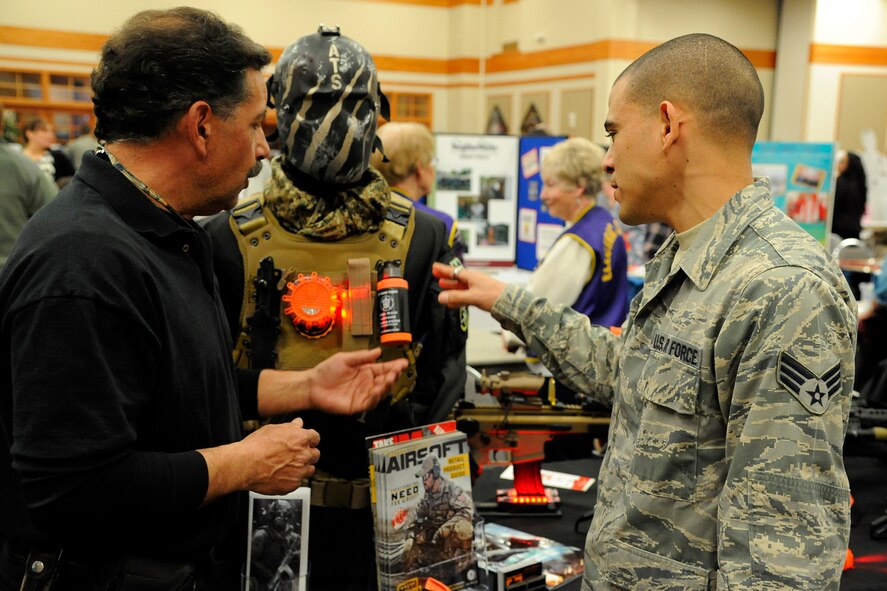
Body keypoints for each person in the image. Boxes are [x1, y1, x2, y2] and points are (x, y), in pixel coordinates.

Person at [0, 9, 408, 591]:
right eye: (254, 127)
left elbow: (176, 387)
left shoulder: (164, 231)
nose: (266, 151)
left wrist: (306, 385)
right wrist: (244, 464)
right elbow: (73, 487)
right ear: (200, 126)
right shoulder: (82, 262)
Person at [433, 33, 856, 589]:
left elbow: (782, 558)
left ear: (667, 125)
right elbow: (626, 371)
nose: (606, 160)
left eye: (612, 132)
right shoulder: (686, 254)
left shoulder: (783, 290)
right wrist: (508, 302)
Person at [201, 26, 467, 591]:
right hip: (262, 520)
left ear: (379, 113)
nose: (339, 123)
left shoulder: (425, 236)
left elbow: (442, 385)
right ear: (280, 112)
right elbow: (207, 388)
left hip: (391, 525)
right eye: (320, 105)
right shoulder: (225, 239)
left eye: (357, 106)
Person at [501, 137, 628, 376]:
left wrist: (508, 334)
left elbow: (537, 308)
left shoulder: (578, 242)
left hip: (568, 368)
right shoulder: (605, 224)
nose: (544, 195)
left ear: (578, 186)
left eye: (551, 185)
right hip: (598, 359)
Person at [371, 121, 466, 261]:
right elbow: (459, 280)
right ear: (420, 168)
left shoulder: (362, 212)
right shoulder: (443, 225)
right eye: (432, 161)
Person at [402, 455, 473, 574]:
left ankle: (463, 566)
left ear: (435, 473)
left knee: (464, 527)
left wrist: (443, 530)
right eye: (422, 477)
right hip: (434, 544)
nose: (423, 481)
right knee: (409, 546)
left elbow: (466, 511)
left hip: (449, 542)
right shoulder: (427, 498)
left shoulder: (452, 490)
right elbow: (413, 518)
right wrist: (410, 536)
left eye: (425, 476)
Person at [0, 142, 57, 267]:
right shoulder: (22, 166)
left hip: (12, 269)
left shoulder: (21, 166)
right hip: (13, 270)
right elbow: (58, 218)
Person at [250, 500, 301, 591]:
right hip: (265, 583)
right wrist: (270, 574)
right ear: (272, 515)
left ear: (288, 516)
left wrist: (296, 555)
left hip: (286, 584)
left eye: (283, 513)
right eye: (277, 513)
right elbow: (253, 560)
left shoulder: (294, 537)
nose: (280, 516)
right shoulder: (261, 535)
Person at [20, 117, 75, 186]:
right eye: (45, 131)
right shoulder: (17, 158)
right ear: (29, 134)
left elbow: (73, 181)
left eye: (52, 131)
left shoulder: (59, 157)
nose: (51, 135)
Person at [832, 150, 867, 240]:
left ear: (850, 165)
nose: (839, 165)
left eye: (842, 162)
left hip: (839, 230)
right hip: (854, 229)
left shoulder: (841, 183)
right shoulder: (860, 184)